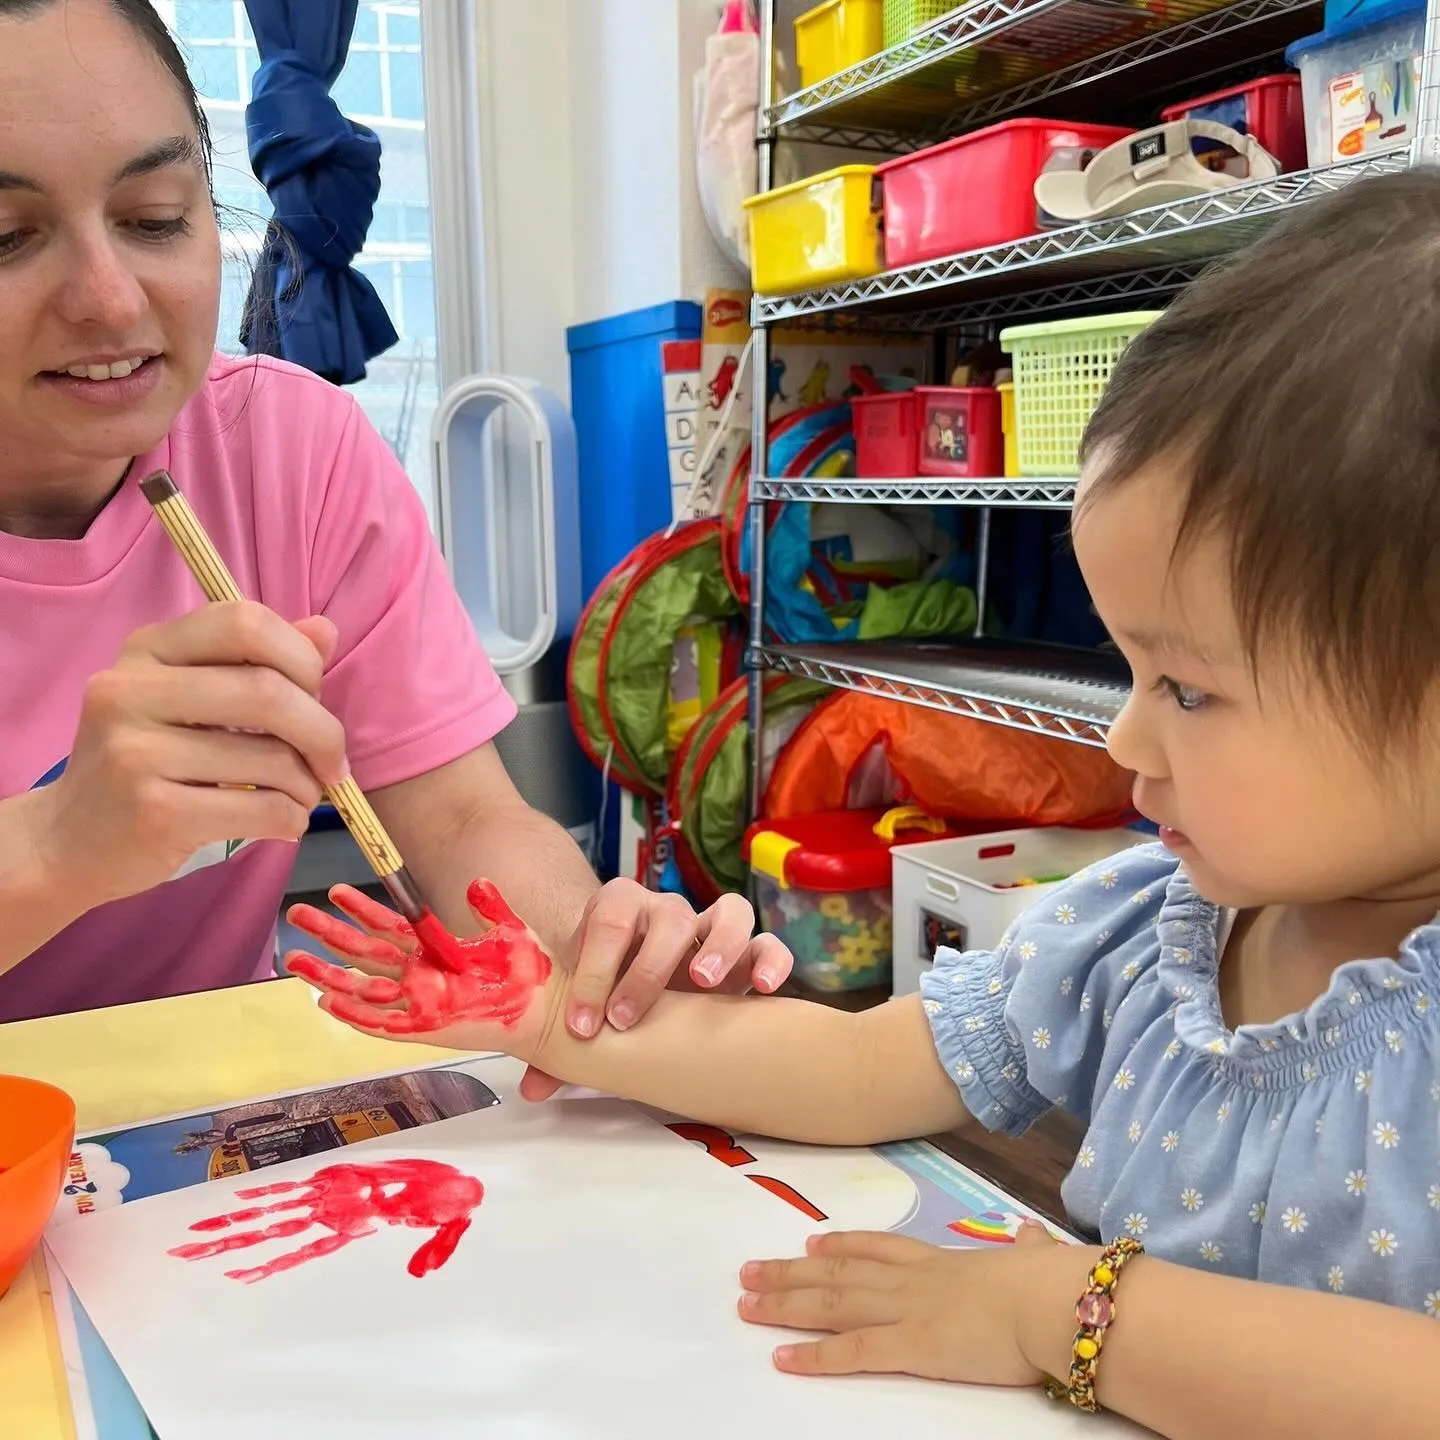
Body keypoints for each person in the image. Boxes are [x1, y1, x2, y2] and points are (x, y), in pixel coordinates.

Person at [291, 169, 1440, 1438]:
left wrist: (1053, 1313)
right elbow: (851, 1066)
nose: (1124, 738)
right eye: (1131, 668)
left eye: (1193, 690)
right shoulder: (1143, 929)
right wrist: (546, 1014)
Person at [0, 0, 792, 1076]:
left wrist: (595, 959)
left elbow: (463, 814)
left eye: (154, 218)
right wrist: (56, 846)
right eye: (6, 239)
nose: (109, 298)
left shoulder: (292, 448)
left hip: (212, 1119)